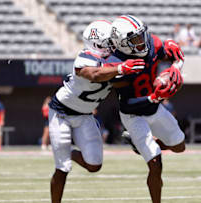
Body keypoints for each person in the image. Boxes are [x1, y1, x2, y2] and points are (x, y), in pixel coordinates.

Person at [48, 20, 145, 203]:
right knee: (62, 168)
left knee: (94, 165)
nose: (114, 43)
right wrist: (120, 69)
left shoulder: (116, 59)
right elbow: (93, 74)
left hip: (84, 115)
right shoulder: (85, 57)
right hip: (61, 113)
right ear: (98, 41)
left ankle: (66, 151)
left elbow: (121, 82)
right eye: (110, 40)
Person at [109, 15, 185, 203]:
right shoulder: (117, 64)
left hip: (154, 107)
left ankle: (138, 145)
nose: (142, 42)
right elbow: (126, 104)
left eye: (142, 36)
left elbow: (173, 54)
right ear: (122, 43)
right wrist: (154, 97)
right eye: (135, 39)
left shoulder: (152, 44)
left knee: (179, 146)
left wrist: (177, 65)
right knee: (155, 162)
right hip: (133, 114)